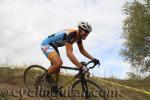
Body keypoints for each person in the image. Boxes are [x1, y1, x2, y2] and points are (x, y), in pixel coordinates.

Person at [41, 21, 100, 87]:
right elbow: (69, 53)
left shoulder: (78, 37)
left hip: (54, 46)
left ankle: (55, 87)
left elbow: (82, 50)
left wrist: (94, 59)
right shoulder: (71, 34)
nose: (87, 34)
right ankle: (45, 78)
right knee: (58, 63)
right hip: (46, 44)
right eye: (85, 31)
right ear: (80, 30)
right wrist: (80, 66)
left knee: (57, 69)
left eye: (88, 32)